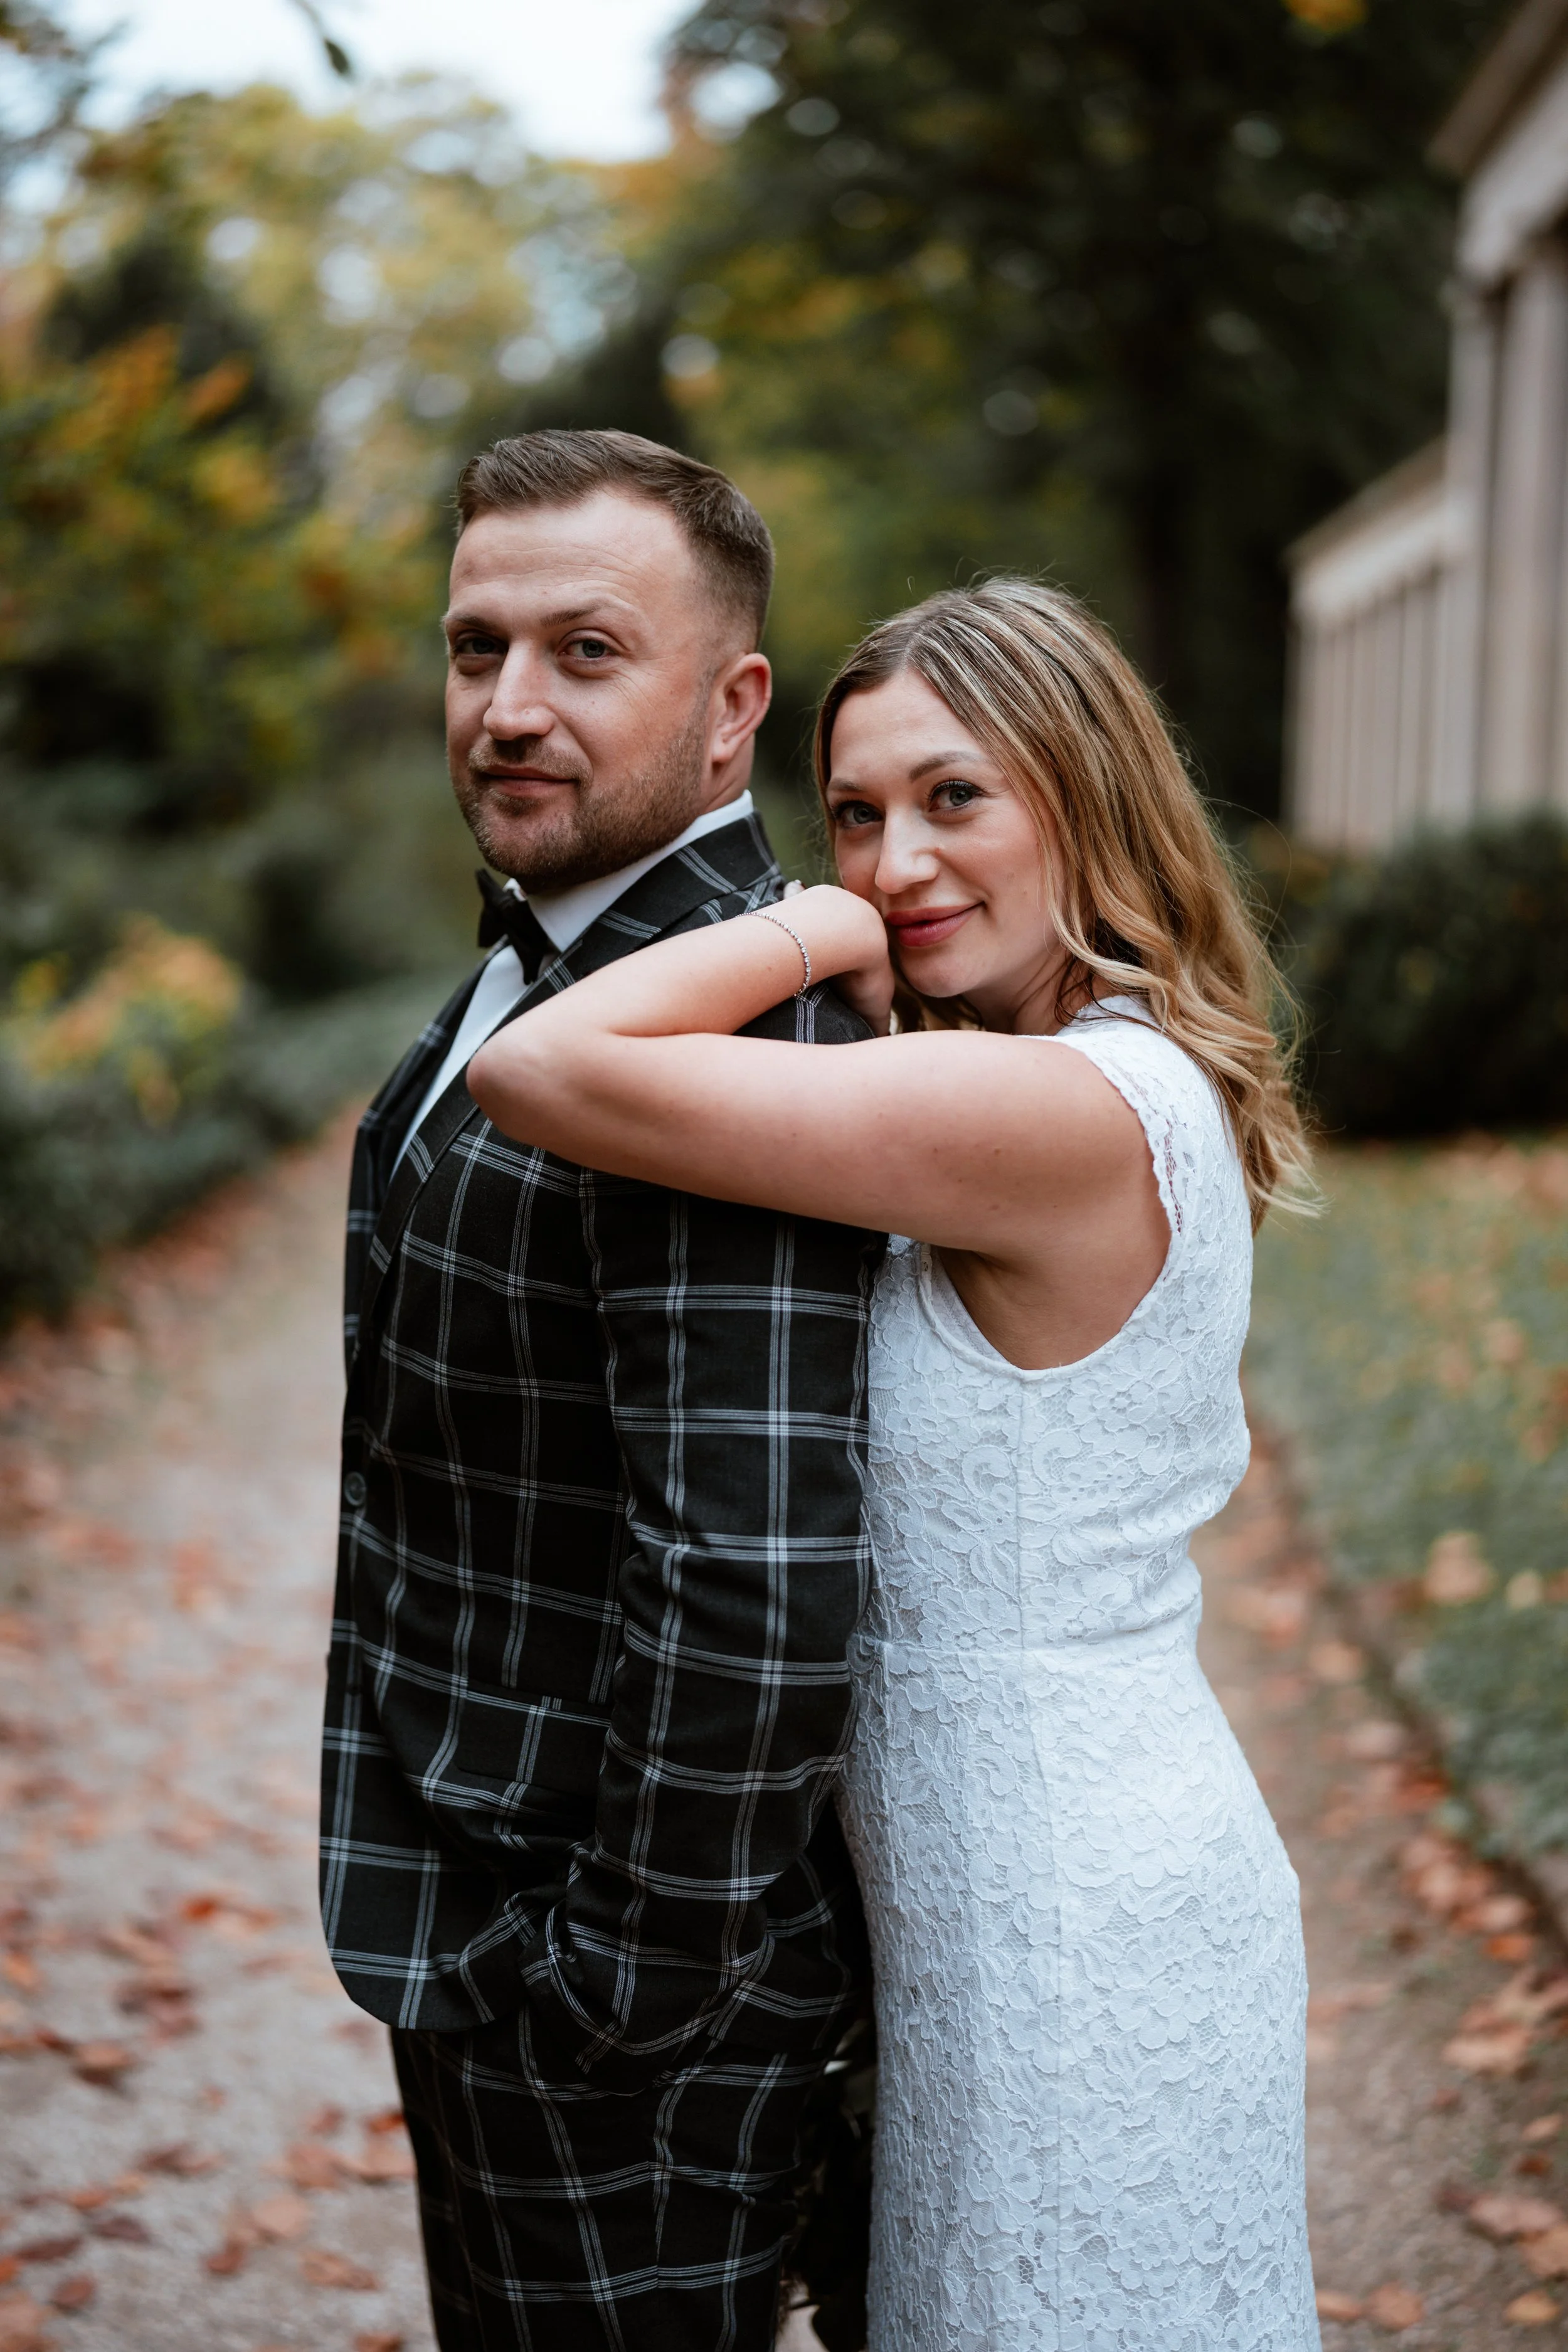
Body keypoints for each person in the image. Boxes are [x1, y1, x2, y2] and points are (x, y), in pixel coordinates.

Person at [469, 576, 1323, 2352]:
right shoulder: (1068, 1083)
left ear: (1083, 796)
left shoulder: (1058, 1112)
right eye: (850, 813)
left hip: (1068, 1920)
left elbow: (542, 1064)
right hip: (1007, 1902)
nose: (893, 860)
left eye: (953, 796)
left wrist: (795, 927)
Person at [319, 429, 881, 2351]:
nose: (506, 706)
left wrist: (616, 1991)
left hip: (622, 2004)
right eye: (477, 649)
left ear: (734, 713)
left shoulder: (747, 1027)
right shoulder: (549, 958)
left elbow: (753, 1557)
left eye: (583, 650)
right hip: (480, 1922)